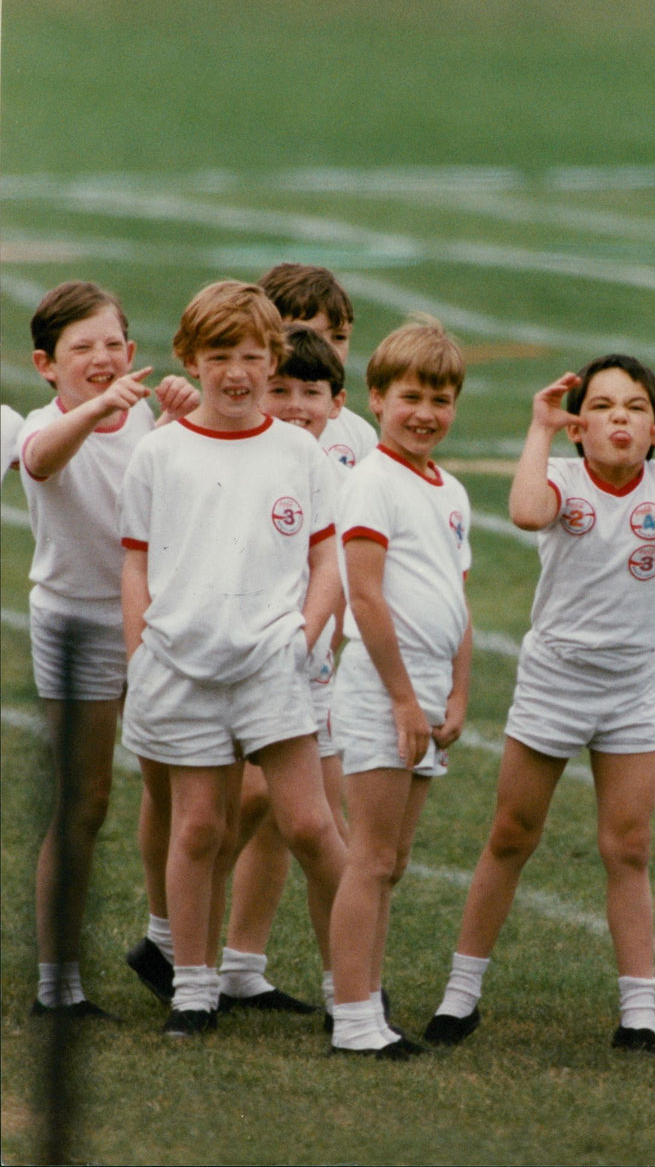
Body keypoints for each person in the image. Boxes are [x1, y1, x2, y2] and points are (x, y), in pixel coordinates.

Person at [424, 355, 655, 1056]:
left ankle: (639, 1011)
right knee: (512, 835)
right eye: (605, 406)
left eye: (638, 407)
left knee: (629, 846)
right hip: (554, 678)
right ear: (580, 427)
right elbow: (526, 512)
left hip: (632, 686)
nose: (622, 417)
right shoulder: (558, 476)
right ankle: (460, 995)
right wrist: (538, 429)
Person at [119, 280, 347, 1036]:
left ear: (273, 355)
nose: (239, 372)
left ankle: (353, 987)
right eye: (220, 355)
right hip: (180, 666)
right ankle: (193, 987)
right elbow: (135, 563)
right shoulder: (159, 453)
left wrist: (302, 637)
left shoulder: (297, 453)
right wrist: (139, 651)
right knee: (197, 829)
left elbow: (325, 562)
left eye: (253, 355)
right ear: (190, 357)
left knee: (312, 827)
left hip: (271, 669)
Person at [17, 280, 198, 1018]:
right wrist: (100, 408)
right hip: (77, 628)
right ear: (46, 364)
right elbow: (42, 461)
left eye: (113, 345)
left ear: (133, 349)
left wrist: (186, 418)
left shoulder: (145, 417)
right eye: (81, 349)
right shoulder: (45, 421)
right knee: (84, 803)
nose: (101, 359)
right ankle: (56, 982)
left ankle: (172, 951)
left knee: (178, 789)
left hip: (155, 622)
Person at [328, 318, 473, 1058]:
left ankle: (369, 1005)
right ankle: (353, 1015)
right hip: (384, 688)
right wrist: (403, 698)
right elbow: (366, 598)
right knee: (372, 857)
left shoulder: (450, 488)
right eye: (412, 395)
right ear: (378, 399)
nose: (426, 412)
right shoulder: (371, 480)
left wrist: (457, 693)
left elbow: (459, 602)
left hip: (424, 692)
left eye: (442, 398)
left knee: (395, 860)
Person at [218, 325, 350, 1018]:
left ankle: (338, 985)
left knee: (312, 826)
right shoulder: (246, 452)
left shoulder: (334, 454)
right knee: (271, 820)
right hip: (255, 663)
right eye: (283, 387)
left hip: (308, 664)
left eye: (312, 389)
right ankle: (192, 962)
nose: (297, 402)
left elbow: (335, 568)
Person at [257, 262, 377, 465]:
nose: (328, 349)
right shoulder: (237, 421)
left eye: (339, 337)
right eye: (310, 335)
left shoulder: (358, 434)